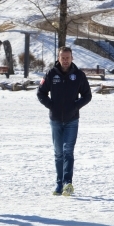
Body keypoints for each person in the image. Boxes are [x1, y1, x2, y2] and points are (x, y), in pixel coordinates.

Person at [37, 46, 92, 196]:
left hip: (72, 120)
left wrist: (75, 106)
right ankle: (59, 184)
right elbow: (40, 93)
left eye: (68, 58)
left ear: (72, 58)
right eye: (63, 58)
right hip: (55, 120)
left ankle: (67, 183)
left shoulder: (79, 75)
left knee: (68, 151)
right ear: (58, 58)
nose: (65, 60)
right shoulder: (50, 74)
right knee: (58, 153)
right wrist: (51, 105)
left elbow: (87, 95)